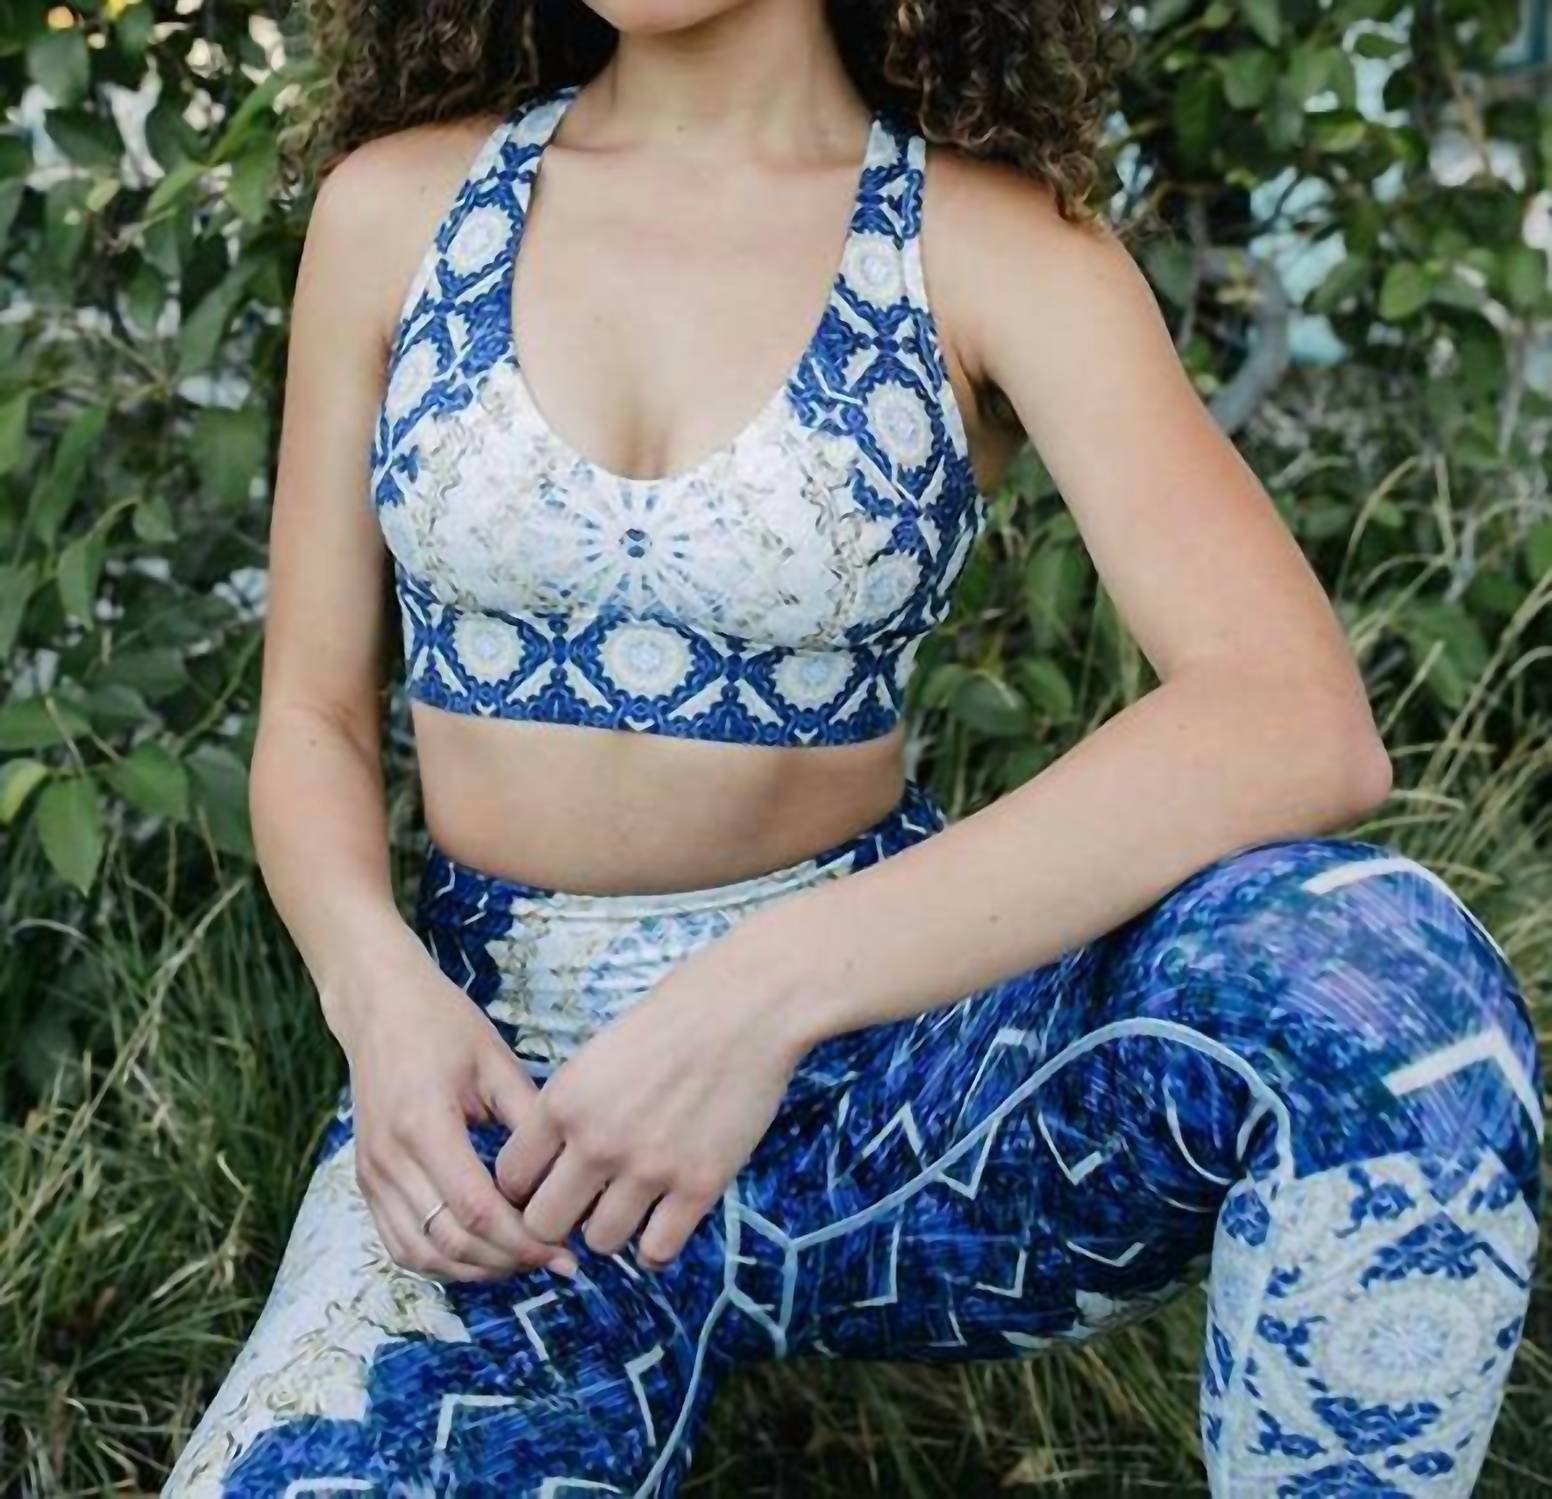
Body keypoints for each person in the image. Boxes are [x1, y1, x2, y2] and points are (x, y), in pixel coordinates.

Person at [161, 1, 1542, 1495]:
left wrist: (756, 1000)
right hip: (511, 1132)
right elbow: (311, 714)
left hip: (898, 1081)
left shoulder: (989, 243)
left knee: (1380, 981)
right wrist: (378, 997)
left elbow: (1292, 714)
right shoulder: (398, 209)